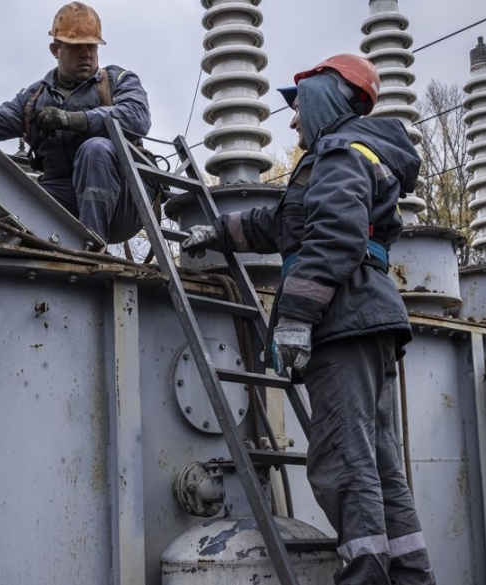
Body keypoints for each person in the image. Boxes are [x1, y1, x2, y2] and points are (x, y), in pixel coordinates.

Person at [181, 54, 435, 585]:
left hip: (344, 319)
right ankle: (410, 574)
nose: (293, 120)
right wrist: (218, 233)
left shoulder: (340, 154)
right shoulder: (347, 156)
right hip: (370, 317)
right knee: (380, 462)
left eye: (298, 107)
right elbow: (282, 223)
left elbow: (333, 238)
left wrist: (295, 317)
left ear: (328, 93)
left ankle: (366, 575)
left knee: (343, 458)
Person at [0, 1, 150, 245]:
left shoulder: (117, 80)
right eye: (76, 47)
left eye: (91, 46)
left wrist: (76, 119)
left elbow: (138, 116)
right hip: (67, 196)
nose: (86, 53)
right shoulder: (33, 99)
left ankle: (92, 252)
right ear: (55, 50)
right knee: (13, 209)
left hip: (126, 200)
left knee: (95, 148)